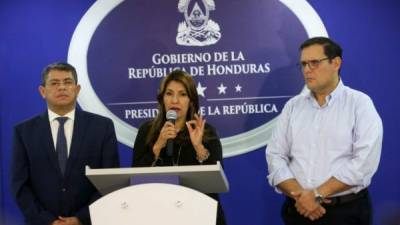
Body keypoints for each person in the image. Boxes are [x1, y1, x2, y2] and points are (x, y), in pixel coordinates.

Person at [266, 37, 383, 225]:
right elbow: (275, 155)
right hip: (298, 210)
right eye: (303, 64)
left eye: (314, 63)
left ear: (336, 63)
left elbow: (363, 164)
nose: (307, 70)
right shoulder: (293, 107)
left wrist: (317, 194)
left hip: (345, 213)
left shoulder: (359, 104)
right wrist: (302, 197)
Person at [10, 62, 120, 225]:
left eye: (68, 82)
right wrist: (48, 220)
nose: (62, 87)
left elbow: (110, 180)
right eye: (54, 83)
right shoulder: (24, 132)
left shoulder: (102, 127)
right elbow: (20, 185)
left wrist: (81, 218)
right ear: (42, 91)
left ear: (77, 89)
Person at [132, 70, 227, 225]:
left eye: (182, 94)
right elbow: (136, 177)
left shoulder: (205, 131)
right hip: (159, 214)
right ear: (162, 99)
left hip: (200, 213)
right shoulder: (147, 131)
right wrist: (157, 146)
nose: (175, 100)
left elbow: (217, 180)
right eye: (169, 94)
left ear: (191, 100)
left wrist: (199, 148)